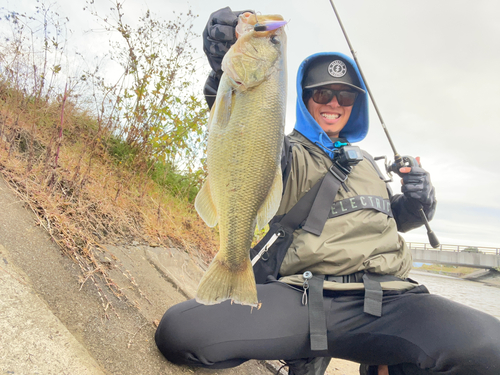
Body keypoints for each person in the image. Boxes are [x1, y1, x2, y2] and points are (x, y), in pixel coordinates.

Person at [155, 7, 500, 375]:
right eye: (321, 93)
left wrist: (419, 202)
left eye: (344, 96)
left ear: (356, 105)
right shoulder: (286, 150)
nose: (333, 103)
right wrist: (220, 66)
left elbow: (388, 218)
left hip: (391, 300)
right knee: (181, 331)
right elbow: (245, 136)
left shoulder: (367, 161)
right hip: (305, 297)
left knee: (489, 349)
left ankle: (384, 364)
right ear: (304, 99)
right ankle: (312, 352)